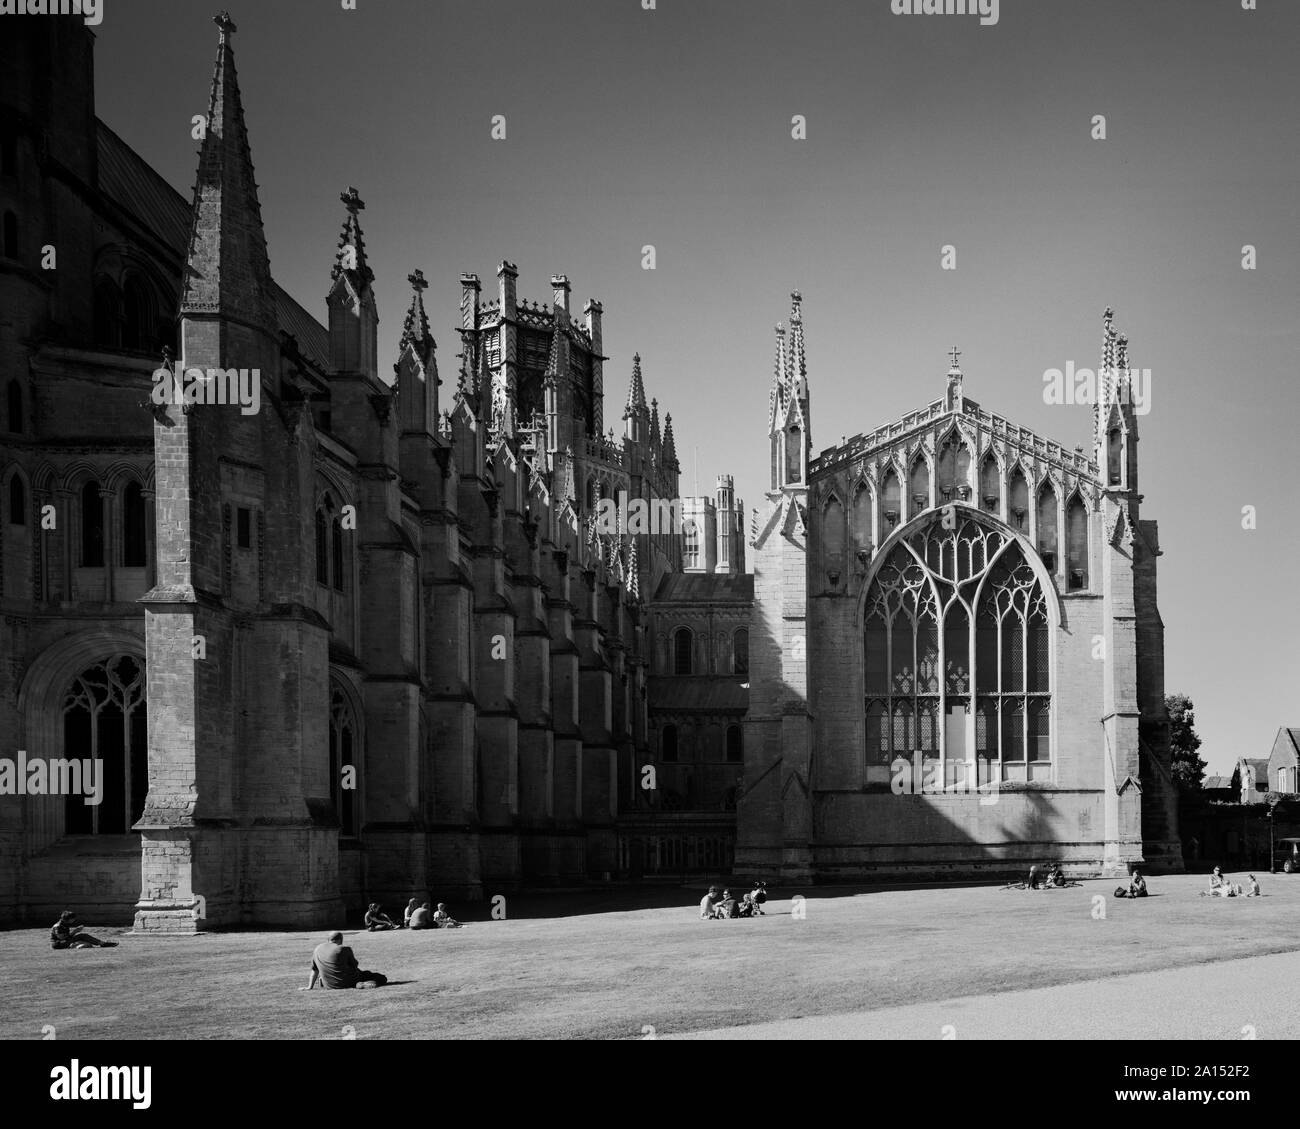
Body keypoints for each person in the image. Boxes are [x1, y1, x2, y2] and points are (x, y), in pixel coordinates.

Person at [303, 931, 387, 989]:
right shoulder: (343, 949)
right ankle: (359, 984)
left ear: (328, 940)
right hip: (347, 981)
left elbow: (314, 971)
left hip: (329, 984)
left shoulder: (317, 948)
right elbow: (355, 965)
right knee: (381, 978)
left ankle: (323, 980)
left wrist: (309, 987)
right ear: (340, 939)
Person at [50, 911, 117, 950]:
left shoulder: (64, 924)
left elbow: (66, 937)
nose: (74, 920)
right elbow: (62, 938)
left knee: (85, 941)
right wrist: (75, 931)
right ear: (68, 919)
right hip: (58, 944)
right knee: (82, 936)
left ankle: (102, 943)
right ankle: (103, 944)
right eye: (72, 918)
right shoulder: (58, 926)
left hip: (63, 942)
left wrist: (75, 932)